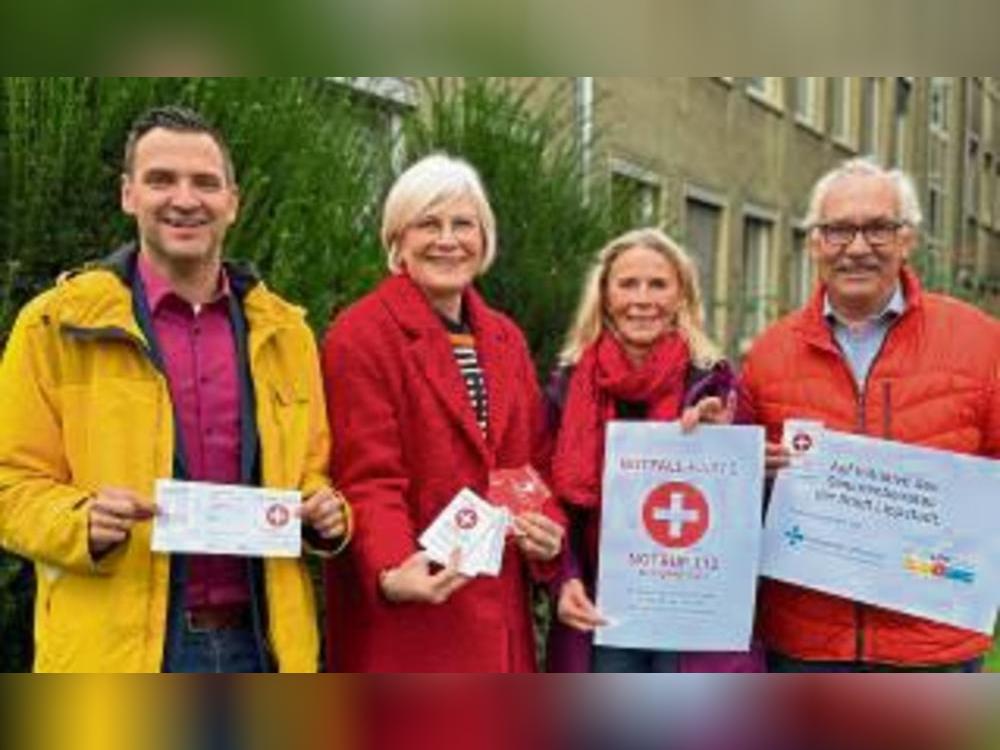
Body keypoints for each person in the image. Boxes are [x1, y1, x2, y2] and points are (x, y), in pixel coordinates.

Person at [0, 106, 350, 672]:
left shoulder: (288, 333)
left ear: (232, 201)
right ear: (128, 194)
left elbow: (312, 470)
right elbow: (10, 486)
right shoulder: (54, 325)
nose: (185, 199)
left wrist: (324, 510)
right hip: (116, 653)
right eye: (161, 179)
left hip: (262, 647)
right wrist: (80, 522)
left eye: (205, 183)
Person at [742, 157, 1000, 672]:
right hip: (807, 648)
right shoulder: (770, 354)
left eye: (878, 228)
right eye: (838, 230)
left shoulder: (981, 342)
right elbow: (737, 498)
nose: (858, 247)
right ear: (815, 243)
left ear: (907, 240)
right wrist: (746, 466)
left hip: (933, 646)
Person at [321, 153, 565, 672]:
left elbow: (526, 465)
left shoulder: (505, 337)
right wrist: (391, 567)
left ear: (485, 238)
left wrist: (544, 532)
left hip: (497, 608)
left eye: (463, 224)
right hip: (414, 602)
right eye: (428, 224)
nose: (448, 240)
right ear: (397, 241)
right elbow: (367, 475)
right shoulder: (361, 334)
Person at [548, 227, 763, 672]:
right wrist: (564, 578)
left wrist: (722, 438)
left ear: (681, 296)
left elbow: (746, 509)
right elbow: (551, 498)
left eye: (658, 284)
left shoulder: (716, 385)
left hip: (691, 605)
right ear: (605, 296)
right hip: (599, 602)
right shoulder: (567, 385)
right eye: (627, 284)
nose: (642, 299)